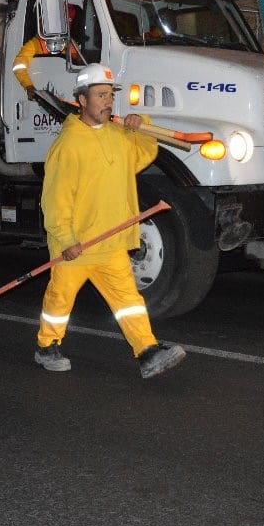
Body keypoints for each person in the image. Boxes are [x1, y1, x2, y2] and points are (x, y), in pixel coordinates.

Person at [35, 63, 186, 379]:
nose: (108, 102)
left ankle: (147, 351)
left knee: (129, 301)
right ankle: (46, 345)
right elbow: (55, 201)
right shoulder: (68, 145)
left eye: (110, 95)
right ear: (81, 101)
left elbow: (145, 154)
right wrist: (66, 241)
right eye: (100, 95)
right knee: (60, 299)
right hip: (77, 246)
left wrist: (139, 125)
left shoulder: (118, 135)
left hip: (111, 243)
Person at [11, 4, 83, 102]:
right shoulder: (34, 44)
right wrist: (29, 86)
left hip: (65, 94)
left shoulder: (69, 43)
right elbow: (19, 65)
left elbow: (78, 64)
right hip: (46, 95)